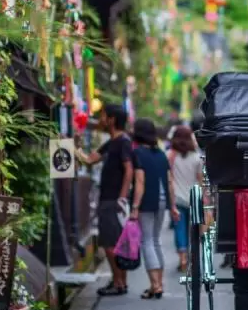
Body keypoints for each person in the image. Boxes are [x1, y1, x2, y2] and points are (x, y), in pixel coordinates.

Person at [75, 103, 135, 296]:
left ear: (112, 120)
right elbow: (89, 159)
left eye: (103, 116)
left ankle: (119, 283)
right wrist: (71, 147)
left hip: (113, 200)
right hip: (108, 199)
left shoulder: (123, 141)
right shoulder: (111, 142)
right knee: (114, 243)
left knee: (110, 244)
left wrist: (122, 197)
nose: (101, 120)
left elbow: (129, 170)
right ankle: (119, 282)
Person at [130, 119, 178, 299]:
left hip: (146, 201)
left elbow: (140, 182)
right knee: (155, 240)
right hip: (162, 200)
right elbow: (170, 181)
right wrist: (172, 206)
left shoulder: (138, 154)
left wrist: (135, 207)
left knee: (147, 241)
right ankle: (159, 283)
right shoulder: (161, 154)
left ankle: (155, 285)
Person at [167, 125, 202, 274]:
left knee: (179, 229)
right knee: (193, 231)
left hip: (177, 198)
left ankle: (182, 258)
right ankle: (190, 257)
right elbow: (200, 180)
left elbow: (169, 180)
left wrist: (171, 201)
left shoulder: (170, 156)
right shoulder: (197, 157)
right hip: (194, 198)